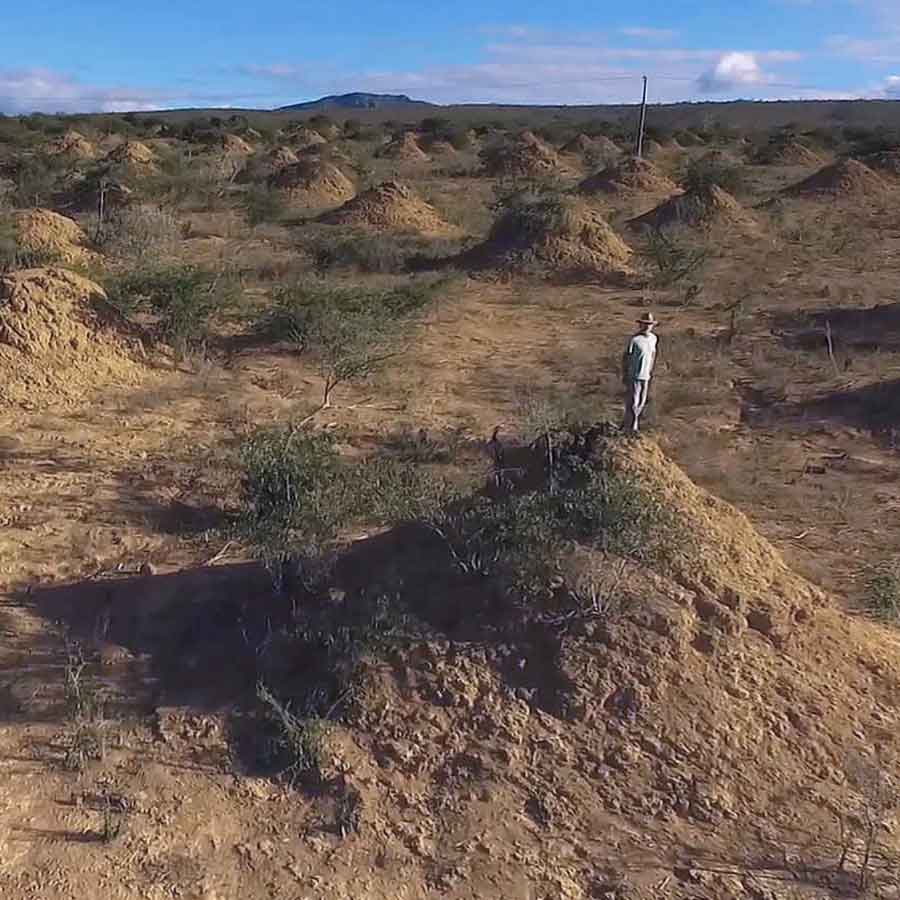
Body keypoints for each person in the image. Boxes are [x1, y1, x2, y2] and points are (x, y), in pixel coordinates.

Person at [622, 312, 659, 433]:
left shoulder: (653, 338)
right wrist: (625, 374)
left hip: (645, 376)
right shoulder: (634, 340)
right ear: (640, 325)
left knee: (641, 402)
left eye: (649, 324)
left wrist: (650, 369)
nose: (647, 326)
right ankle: (631, 428)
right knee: (633, 402)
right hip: (634, 375)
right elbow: (626, 357)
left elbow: (653, 354)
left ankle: (629, 425)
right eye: (645, 324)